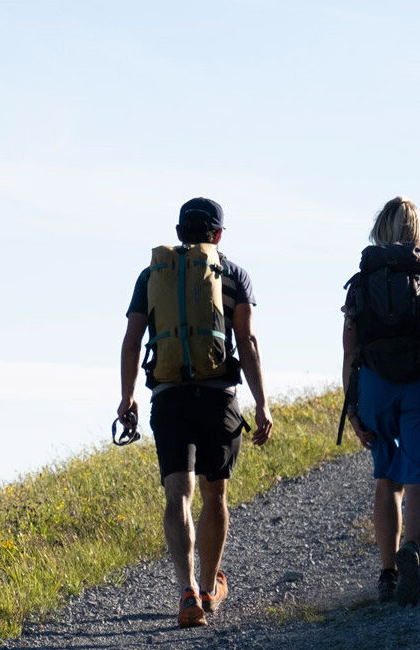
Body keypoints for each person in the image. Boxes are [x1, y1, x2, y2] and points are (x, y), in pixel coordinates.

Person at [118, 197, 274, 628]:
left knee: (177, 494)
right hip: (219, 397)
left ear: (179, 231)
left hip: (169, 396)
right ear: (218, 235)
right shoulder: (234, 273)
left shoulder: (152, 276)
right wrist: (261, 402)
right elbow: (247, 342)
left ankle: (186, 592)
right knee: (215, 494)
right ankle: (208, 590)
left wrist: (128, 395)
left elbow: (132, 340)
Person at [342, 196, 420, 607]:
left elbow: (350, 352)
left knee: (387, 480)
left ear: (381, 229)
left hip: (375, 387)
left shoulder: (361, 281)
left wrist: (353, 409)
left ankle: (388, 573)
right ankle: (411, 547)